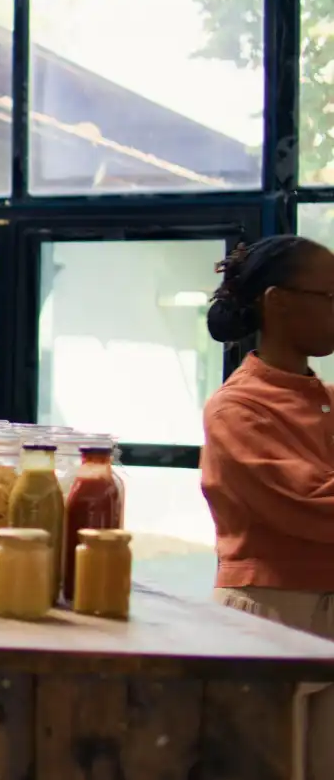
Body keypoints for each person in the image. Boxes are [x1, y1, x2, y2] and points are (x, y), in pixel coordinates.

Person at [200, 234, 334, 778]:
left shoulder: (325, 399)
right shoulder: (237, 407)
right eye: (330, 295)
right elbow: (310, 505)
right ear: (278, 302)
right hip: (269, 611)